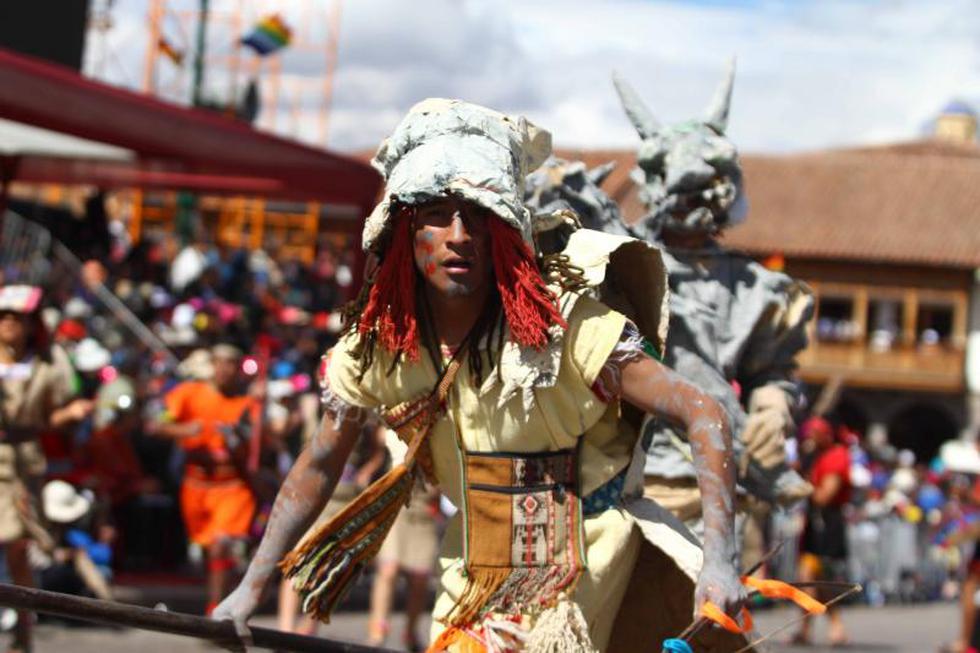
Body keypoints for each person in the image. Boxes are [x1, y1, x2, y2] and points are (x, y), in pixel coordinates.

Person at [215, 99, 747, 652]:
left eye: (479, 215)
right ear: (403, 230)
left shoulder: (569, 326)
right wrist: (249, 590)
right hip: (469, 573)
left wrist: (720, 560)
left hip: (581, 566)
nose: (459, 234)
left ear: (506, 233)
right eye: (436, 214)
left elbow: (702, 410)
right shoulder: (376, 346)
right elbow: (321, 462)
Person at [609, 62, 814, 538]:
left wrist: (771, 410)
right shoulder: (615, 263)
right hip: (624, 478)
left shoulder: (754, 287)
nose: (690, 200)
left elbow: (771, 373)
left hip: (718, 485)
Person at [0, 285, 93, 652]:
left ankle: (24, 630)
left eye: (16, 318)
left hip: (20, 466)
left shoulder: (43, 366)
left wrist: (69, 414)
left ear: (30, 324)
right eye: (3, 317)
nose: (8, 323)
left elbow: (52, 415)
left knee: (16, 547)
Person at [147, 343, 256, 616]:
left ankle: (215, 612)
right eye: (219, 362)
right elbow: (157, 424)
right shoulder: (187, 394)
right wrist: (184, 430)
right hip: (195, 486)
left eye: (231, 364)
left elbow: (258, 444)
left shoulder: (247, 403)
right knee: (210, 551)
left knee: (221, 545)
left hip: (233, 486)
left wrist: (239, 441)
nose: (224, 369)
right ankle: (224, 599)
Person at [365, 431, 440, 652]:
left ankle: (410, 631)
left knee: (420, 576)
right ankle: (378, 630)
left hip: (424, 507)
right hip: (396, 502)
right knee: (388, 569)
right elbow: (379, 437)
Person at [792, 416, 850, 646]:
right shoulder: (814, 457)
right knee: (807, 578)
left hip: (827, 525)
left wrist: (802, 485)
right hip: (814, 524)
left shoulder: (837, 456)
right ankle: (805, 628)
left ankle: (836, 625)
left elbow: (824, 496)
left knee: (821, 578)